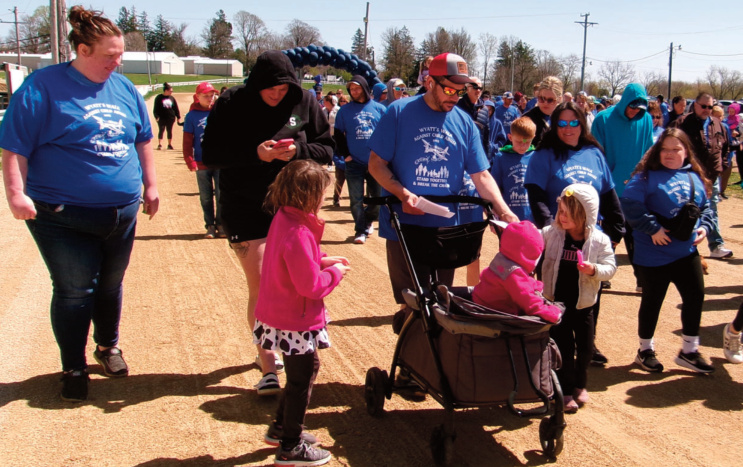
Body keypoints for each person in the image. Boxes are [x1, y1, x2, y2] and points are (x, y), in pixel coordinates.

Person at [0, 6, 159, 402]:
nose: (117, 62)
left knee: (110, 285)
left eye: (120, 54)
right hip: (62, 214)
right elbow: (15, 146)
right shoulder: (42, 87)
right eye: (110, 55)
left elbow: (142, 139)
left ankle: (108, 347)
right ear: (83, 50)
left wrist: (151, 185)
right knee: (74, 291)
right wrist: (16, 193)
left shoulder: (123, 89)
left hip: (121, 213)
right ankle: (73, 366)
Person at [201, 50, 334, 395]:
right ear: (256, 84)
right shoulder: (232, 102)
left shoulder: (303, 101)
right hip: (245, 205)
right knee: (262, 283)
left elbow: (327, 148)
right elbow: (210, 153)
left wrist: (299, 152)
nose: (278, 95)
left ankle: (295, 354)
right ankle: (268, 366)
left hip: (293, 209)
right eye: (271, 89)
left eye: (283, 89)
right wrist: (255, 154)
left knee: (296, 283)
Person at [367, 52, 518, 317]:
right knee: (413, 306)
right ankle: (410, 355)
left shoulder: (465, 124)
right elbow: (376, 164)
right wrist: (403, 194)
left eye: (459, 91)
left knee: (440, 306)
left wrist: (503, 211)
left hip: (445, 229)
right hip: (405, 224)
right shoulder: (399, 112)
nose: (454, 97)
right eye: (448, 88)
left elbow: (481, 175)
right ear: (429, 82)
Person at [255, 160, 350, 466]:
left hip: (282, 313)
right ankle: (290, 446)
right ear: (309, 195)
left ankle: (282, 427)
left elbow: (298, 261)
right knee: (301, 379)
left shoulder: (285, 218)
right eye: (322, 191)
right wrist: (334, 272)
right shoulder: (299, 231)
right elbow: (310, 285)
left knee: (304, 373)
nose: (324, 197)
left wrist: (322, 259)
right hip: (294, 318)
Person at [525, 101, 625, 365]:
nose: (568, 129)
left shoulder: (594, 153)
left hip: (589, 238)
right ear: (555, 125)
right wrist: (551, 230)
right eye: (562, 123)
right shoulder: (544, 154)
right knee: (556, 291)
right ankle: (553, 344)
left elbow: (608, 193)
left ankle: (586, 343)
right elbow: (536, 196)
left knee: (588, 292)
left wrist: (616, 227)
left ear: (582, 124)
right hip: (558, 236)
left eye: (573, 123)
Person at [621, 128, 715, 374]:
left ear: (686, 152)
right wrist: (652, 229)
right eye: (665, 149)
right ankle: (645, 350)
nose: (670, 154)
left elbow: (707, 207)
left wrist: (704, 227)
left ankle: (689, 351)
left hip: (686, 252)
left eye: (676, 149)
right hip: (653, 254)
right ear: (657, 151)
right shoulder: (645, 177)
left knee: (695, 296)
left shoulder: (694, 176)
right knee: (653, 301)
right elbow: (629, 203)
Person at [542, 184, 616, 412]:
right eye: (560, 211)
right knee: (563, 348)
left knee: (585, 349)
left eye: (568, 213)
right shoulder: (551, 234)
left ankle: (580, 385)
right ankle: (563, 390)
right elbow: (531, 240)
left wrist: (594, 270)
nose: (562, 217)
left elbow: (611, 267)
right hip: (557, 303)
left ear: (585, 215)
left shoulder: (600, 241)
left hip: (584, 304)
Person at [591, 83, 653, 293]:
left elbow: (647, 152)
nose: (636, 111)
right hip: (609, 189)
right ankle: (603, 275)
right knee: (608, 236)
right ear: (625, 102)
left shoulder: (646, 120)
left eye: (640, 108)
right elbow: (596, 154)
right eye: (633, 106)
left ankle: (643, 279)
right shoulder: (603, 119)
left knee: (638, 237)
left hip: (636, 189)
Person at [671, 92, 732, 259]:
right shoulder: (682, 123)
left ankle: (716, 245)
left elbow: (726, 147)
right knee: (685, 211)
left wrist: (722, 165)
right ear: (695, 105)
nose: (706, 109)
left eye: (710, 107)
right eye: (703, 106)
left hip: (711, 177)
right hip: (688, 177)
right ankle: (680, 246)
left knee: (711, 210)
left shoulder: (718, 125)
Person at [472, 220, 563, 324]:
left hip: (482, 302)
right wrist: (550, 312)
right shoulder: (514, 273)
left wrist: (533, 284)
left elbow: (519, 283)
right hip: (495, 312)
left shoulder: (503, 258)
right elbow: (527, 300)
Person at [333, 75, 387, 244]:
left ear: (364, 88)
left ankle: (369, 219)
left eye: (357, 88)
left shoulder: (379, 109)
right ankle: (360, 230)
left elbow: (387, 134)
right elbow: (338, 135)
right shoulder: (344, 111)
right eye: (351, 89)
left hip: (375, 162)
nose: (354, 92)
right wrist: (346, 155)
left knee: (377, 199)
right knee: (356, 199)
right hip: (354, 163)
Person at [183, 81, 223, 239]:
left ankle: (220, 224)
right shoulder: (191, 116)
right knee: (206, 196)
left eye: (212, 95)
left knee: (221, 195)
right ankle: (210, 226)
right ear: (197, 97)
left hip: (220, 162)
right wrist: (189, 160)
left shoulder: (220, 112)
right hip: (201, 162)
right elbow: (187, 141)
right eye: (206, 96)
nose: (210, 98)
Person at [491, 116, 537, 222]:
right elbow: (496, 188)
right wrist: (497, 214)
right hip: (509, 215)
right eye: (519, 141)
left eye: (527, 142)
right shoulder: (501, 157)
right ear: (510, 137)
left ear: (533, 138)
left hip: (533, 217)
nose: (523, 145)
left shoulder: (536, 156)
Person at [523, 76, 563, 147]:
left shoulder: (564, 118)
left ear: (559, 99)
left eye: (550, 100)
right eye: (541, 98)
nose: (545, 103)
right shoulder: (527, 119)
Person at [323, 94, 345, 207]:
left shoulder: (338, 111)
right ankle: (336, 199)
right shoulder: (323, 110)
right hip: (329, 137)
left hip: (335, 136)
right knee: (339, 180)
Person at [153, 82, 181, 150]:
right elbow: (155, 108)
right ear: (166, 90)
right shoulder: (159, 98)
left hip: (170, 117)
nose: (171, 92)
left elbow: (175, 108)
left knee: (169, 130)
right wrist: (156, 116)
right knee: (161, 130)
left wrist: (178, 116)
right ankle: (160, 144)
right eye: (170, 91)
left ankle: (169, 144)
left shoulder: (172, 98)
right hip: (161, 117)